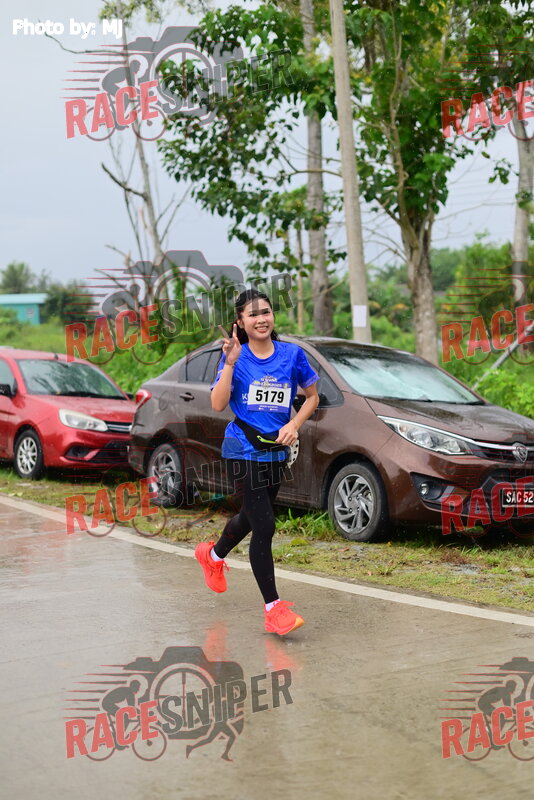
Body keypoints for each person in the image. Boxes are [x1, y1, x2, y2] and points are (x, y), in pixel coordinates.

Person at [194, 288, 320, 635]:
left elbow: (312, 397)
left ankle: (213, 556)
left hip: (275, 452)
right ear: (240, 322)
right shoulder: (236, 357)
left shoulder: (292, 355)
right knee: (264, 526)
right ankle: (273, 609)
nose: (261, 319)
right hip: (241, 450)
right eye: (253, 315)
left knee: (250, 518)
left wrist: (294, 424)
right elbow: (218, 404)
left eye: (266, 312)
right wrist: (230, 363)